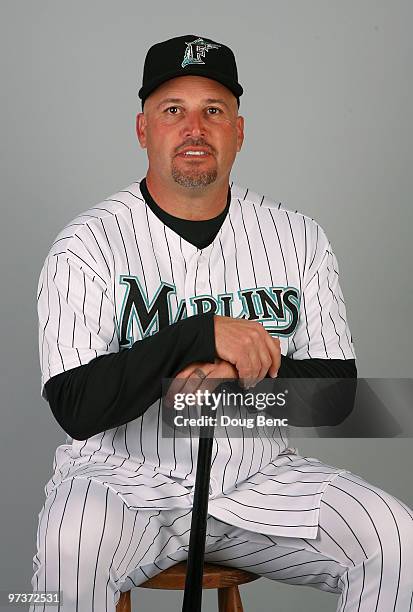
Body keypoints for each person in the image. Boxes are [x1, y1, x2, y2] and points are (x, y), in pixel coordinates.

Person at [31, 35, 412, 611]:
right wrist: (197, 334)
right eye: (173, 111)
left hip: (257, 481)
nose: (194, 127)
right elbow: (76, 407)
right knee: (69, 551)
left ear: (238, 130)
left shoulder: (298, 238)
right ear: (142, 129)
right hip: (120, 484)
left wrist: (232, 388)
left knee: (396, 542)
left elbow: (337, 399)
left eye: (213, 110)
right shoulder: (87, 243)